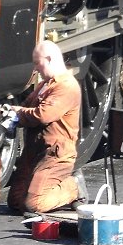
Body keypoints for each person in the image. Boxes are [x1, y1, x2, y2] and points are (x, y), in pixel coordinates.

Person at [5, 40, 86, 214]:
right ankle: (54, 189)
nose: (35, 69)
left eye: (37, 63)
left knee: (34, 204)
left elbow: (43, 115)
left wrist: (18, 113)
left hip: (55, 154)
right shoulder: (44, 85)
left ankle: (73, 186)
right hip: (35, 151)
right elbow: (27, 105)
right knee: (15, 201)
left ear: (49, 59)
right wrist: (13, 112)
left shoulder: (66, 86)